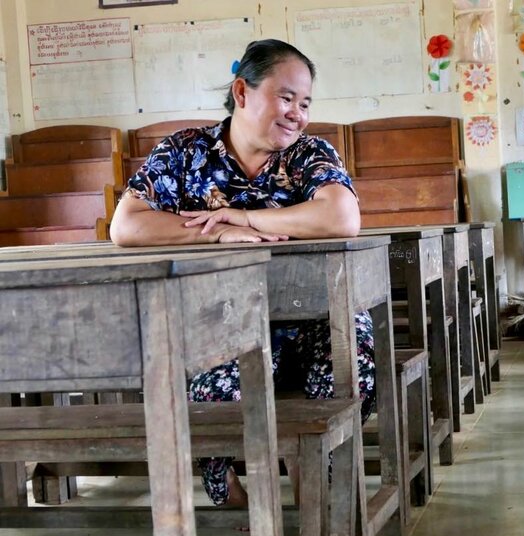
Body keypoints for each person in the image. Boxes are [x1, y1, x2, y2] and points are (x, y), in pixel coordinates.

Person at [110, 39, 376, 508]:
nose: (297, 113)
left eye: (306, 103)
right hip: (224, 318)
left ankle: (316, 484)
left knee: (349, 367)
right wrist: (215, 234)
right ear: (242, 91)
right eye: (287, 97)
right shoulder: (185, 152)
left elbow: (341, 218)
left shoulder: (308, 154)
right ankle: (229, 495)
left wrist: (247, 218)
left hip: (317, 314)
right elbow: (126, 226)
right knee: (207, 396)